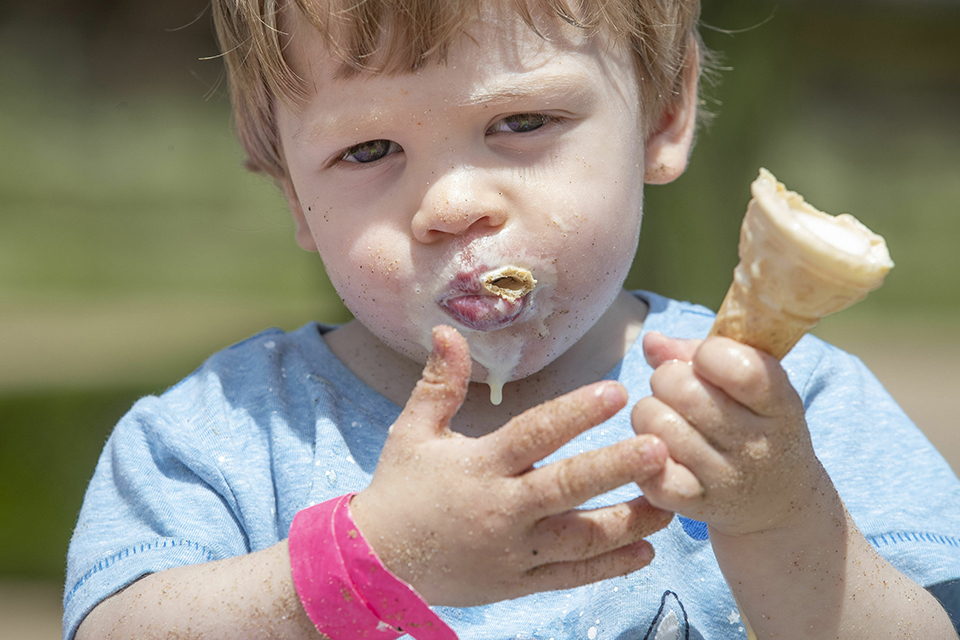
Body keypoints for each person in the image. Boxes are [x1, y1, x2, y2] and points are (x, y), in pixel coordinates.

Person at [64, 1, 960, 638]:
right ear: (293, 192)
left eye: (522, 121)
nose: (452, 205)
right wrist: (363, 561)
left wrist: (784, 519)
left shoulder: (786, 412)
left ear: (663, 114)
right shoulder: (223, 437)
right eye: (368, 149)